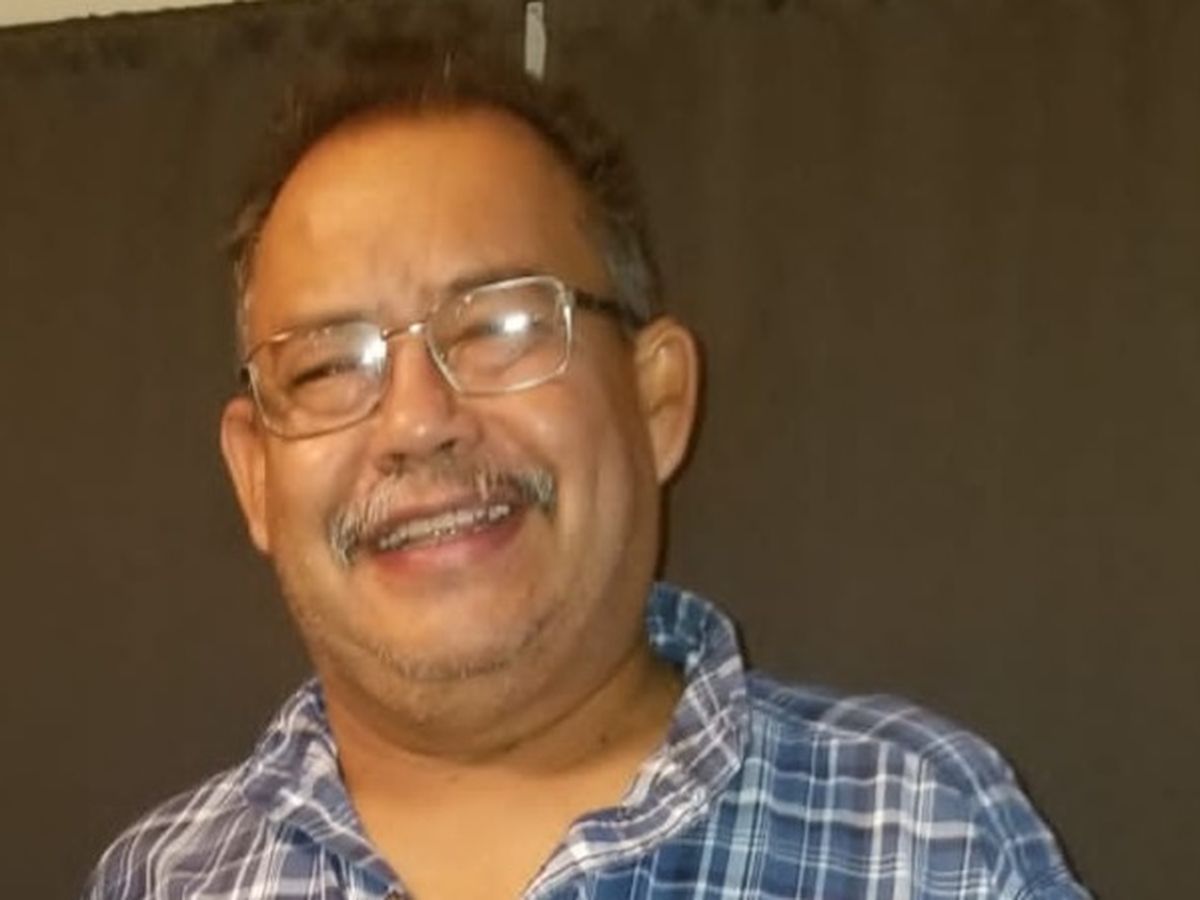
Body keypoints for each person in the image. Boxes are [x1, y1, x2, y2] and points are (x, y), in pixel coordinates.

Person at [85, 38, 1091, 900]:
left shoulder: (923, 840)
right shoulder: (163, 877)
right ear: (256, 478)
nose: (417, 421)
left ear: (658, 403)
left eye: (501, 327)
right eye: (324, 366)